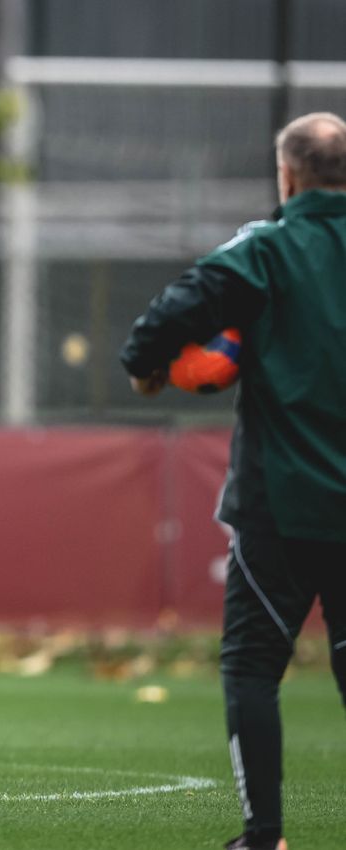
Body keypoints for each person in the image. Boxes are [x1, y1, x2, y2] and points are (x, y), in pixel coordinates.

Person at [121, 112, 346, 850]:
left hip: (277, 504)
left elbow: (160, 323)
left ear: (286, 177)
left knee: (251, 670)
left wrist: (149, 365)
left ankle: (265, 838)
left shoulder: (266, 248)